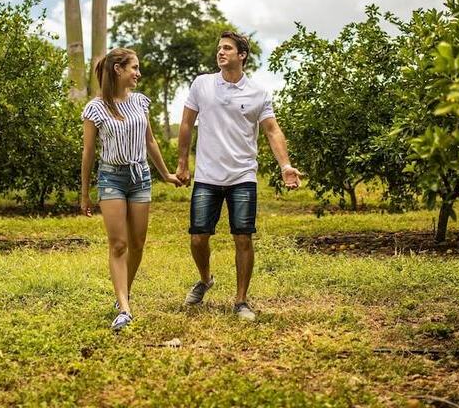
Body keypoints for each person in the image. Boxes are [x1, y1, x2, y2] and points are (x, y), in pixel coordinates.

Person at [175, 32, 301, 321]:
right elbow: (186, 123)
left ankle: (241, 300)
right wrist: (182, 163)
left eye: (228, 48)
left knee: (243, 237)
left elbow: (272, 130)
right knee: (198, 238)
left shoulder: (257, 92)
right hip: (207, 175)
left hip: (242, 175)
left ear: (242, 55)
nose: (221, 52)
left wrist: (285, 166)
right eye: (219, 48)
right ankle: (205, 279)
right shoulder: (202, 84)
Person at [81, 48, 182, 332]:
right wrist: (84, 193)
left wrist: (167, 175)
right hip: (111, 178)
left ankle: (123, 293)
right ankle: (124, 308)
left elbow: (150, 142)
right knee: (119, 244)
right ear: (118, 69)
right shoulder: (95, 108)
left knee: (137, 244)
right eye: (134, 68)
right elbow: (88, 153)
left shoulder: (140, 102)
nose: (138, 73)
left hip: (141, 178)